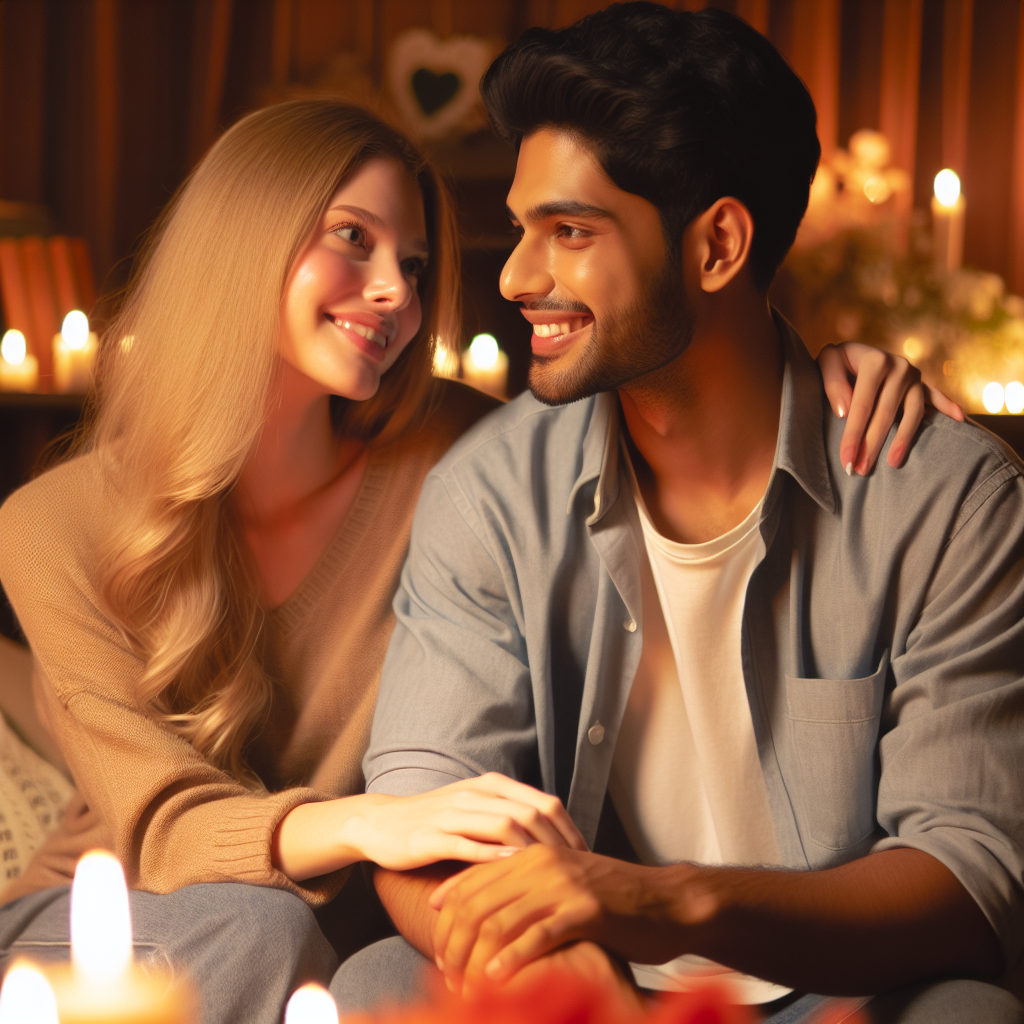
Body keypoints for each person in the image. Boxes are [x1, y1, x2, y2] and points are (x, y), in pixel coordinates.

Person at [0, 96, 950, 1021]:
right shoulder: (50, 526)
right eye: (352, 239)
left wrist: (822, 377)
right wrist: (373, 822)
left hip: (356, 929)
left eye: (413, 266)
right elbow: (162, 825)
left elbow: (673, 401)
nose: (396, 294)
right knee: (263, 929)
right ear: (247, 237)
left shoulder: (460, 455)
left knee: (369, 961)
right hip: (112, 923)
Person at [354, 6, 1024, 1023]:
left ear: (716, 244)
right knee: (373, 986)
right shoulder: (487, 491)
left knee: (967, 1012)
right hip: (581, 981)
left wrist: (660, 901)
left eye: (568, 231)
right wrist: (585, 985)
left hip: (841, 995)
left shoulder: (943, 497)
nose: (514, 275)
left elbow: (968, 876)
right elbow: (417, 823)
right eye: (522, 225)